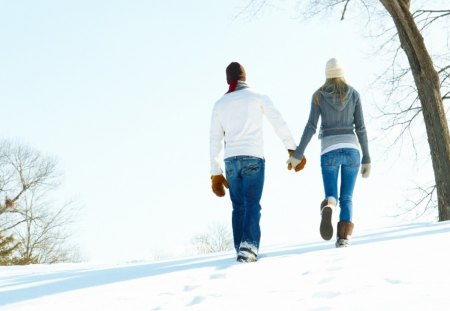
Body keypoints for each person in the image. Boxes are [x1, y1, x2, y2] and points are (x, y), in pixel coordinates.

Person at [209, 62, 305, 263]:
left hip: (231, 161)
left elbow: (214, 140)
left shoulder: (219, 105)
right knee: (252, 203)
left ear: (228, 80)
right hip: (253, 157)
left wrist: (215, 172)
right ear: (244, 77)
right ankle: (249, 247)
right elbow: (278, 122)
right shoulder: (258, 97)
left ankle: (240, 247)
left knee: (238, 206)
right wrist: (292, 148)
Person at [287, 58, 371, 248]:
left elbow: (310, 127)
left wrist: (298, 154)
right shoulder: (354, 94)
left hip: (329, 151)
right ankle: (343, 238)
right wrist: (366, 157)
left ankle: (329, 206)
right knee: (347, 197)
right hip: (352, 150)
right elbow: (361, 128)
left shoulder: (318, 96)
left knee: (332, 195)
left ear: (327, 75)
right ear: (342, 73)